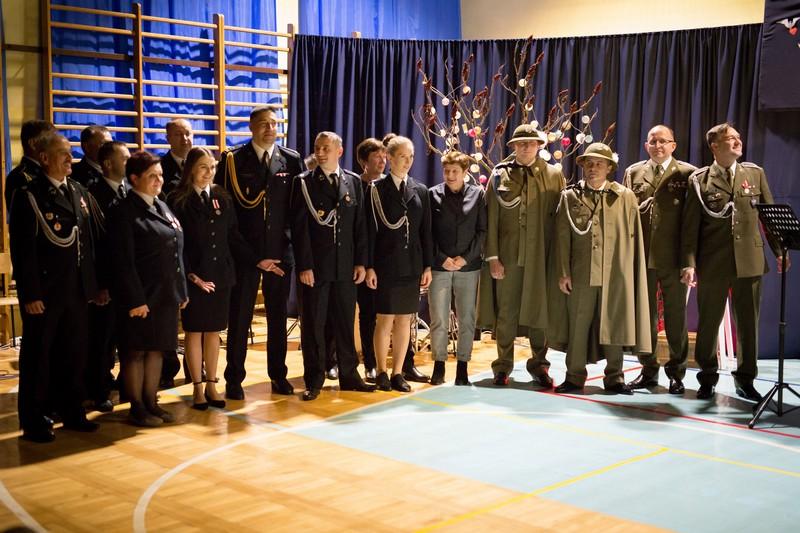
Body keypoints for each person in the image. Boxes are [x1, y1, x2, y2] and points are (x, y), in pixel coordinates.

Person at [681, 123, 785, 401]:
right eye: (731, 138)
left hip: (749, 261)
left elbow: (769, 217)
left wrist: (779, 251)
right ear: (715, 146)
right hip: (713, 262)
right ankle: (707, 378)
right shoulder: (699, 180)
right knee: (708, 324)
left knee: (748, 325)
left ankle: (746, 380)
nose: (738, 141)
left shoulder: (754, 173)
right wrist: (689, 263)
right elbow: (690, 227)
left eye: (739, 137)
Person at [10, 132, 103, 442]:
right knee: (39, 358)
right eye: (63, 153)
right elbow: (23, 251)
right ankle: (34, 420)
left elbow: (88, 244)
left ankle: (72, 411)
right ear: (45, 158)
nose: (70, 158)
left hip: (77, 290)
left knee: (74, 354)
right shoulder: (30, 195)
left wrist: (96, 285)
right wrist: (30, 293)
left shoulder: (77, 190)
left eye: (70, 152)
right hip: (46, 293)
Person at [215, 107, 305, 400]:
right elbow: (227, 216)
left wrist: (285, 248)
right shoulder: (233, 160)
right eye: (264, 124)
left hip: (279, 254)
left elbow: (296, 211)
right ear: (251, 126)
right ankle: (234, 378)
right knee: (240, 318)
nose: (270, 128)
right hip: (246, 254)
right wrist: (252, 256)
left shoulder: (290, 159)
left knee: (277, 318)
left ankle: (278, 375)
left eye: (274, 123)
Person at [168, 147, 267, 409]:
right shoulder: (178, 199)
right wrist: (191, 275)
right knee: (194, 331)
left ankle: (212, 384)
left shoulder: (222, 197)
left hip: (221, 276)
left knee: (214, 332)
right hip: (194, 277)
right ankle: (197, 387)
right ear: (191, 169)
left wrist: (257, 259)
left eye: (212, 167)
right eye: (203, 167)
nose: (209, 172)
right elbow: (176, 243)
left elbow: (233, 236)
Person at [551, 143, 650, 395]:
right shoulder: (570, 196)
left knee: (614, 324)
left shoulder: (624, 196)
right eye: (589, 164)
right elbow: (562, 237)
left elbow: (633, 238)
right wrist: (564, 272)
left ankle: (615, 377)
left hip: (615, 273)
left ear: (609, 168)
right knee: (578, 325)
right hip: (581, 273)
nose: (593, 168)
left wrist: (630, 273)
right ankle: (574, 377)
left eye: (599, 164)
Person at [477, 124, 565, 387]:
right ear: (514, 146)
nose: (526, 147)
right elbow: (491, 217)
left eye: (531, 142)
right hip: (509, 256)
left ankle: (539, 365)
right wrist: (493, 257)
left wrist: (559, 262)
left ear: (539, 145)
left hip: (542, 257)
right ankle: (502, 366)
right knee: (507, 312)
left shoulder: (554, 175)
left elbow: (561, 221)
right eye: (521, 143)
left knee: (541, 313)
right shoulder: (499, 174)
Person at [292, 131, 376, 400]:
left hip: (345, 267)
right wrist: (305, 265)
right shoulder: (304, 182)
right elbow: (300, 229)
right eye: (317, 148)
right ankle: (314, 379)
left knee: (344, 323)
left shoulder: (352, 181)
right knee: (314, 326)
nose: (320, 152)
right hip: (316, 269)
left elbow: (360, 226)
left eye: (326, 148)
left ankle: (349, 376)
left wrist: (361, 262)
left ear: (339, 151)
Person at [108, 150, 188, 426]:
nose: (159, 180)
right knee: (136, 352)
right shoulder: (123, 210)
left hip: (164, 295)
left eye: (160, 175)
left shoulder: (161, 205)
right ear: (134, 178)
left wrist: (181, 290)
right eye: (152, 176)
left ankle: (151, 402)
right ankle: (137, 407)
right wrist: (135, 299)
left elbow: (176, 251)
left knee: (157, 350)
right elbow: (122, 261)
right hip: (140, 297)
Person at [623, 125, 696, 395]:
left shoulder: (687, 173)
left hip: (674, 258)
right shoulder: (633, 172)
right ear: (646, 146)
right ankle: (648, 370)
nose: (658, 146)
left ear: (673, 145)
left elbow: (691, 222)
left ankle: (677, 373)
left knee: (676, 318)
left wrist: (689, 261)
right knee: (645, 317)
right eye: (653, 142)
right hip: (642, 257)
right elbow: (626, 217)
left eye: (663, 141)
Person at [365, 135, 433, 392]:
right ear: (390, 158)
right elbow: (368, 232)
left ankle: (397, 372)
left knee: (405, 320)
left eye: (411, 156)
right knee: (385, 320)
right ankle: (381, 371)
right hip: (385, 264)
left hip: (411, 264)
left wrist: (427, 266)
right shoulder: (376, 189)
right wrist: (369, 266)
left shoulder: (420, 189)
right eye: (402, 156)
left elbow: (426, 232)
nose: (407, 161)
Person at [427, 151, 487, 386]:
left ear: (465, 173)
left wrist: (465, 258)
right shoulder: (432, 194)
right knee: (439, 319)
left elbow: (482, 231)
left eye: (455, 171)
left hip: (468, 267)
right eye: (446, 171)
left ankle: (463, 367)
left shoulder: (477, 194)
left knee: (467, 318)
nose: (450, 175)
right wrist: (441, 258)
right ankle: (439, 365)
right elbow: (427, 232)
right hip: (440, 266)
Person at [86, 140, 131, 412]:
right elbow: (94, 246)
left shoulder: (130, 190)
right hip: (107, 281)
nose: (129, 162)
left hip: (128, 280)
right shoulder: (92, 194)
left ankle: (126, 384)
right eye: (124, 159)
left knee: (127, 338)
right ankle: (98, 389)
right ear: (108, 164)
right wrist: (100, 285)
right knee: (102, 340)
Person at [353, 137, 387, 381]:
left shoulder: (387, 186)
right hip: (361, 262)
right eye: (377, 157)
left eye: (384, 156)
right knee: (366, 314)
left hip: (386, 261)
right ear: (364, 161)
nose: (382, 161)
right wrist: (365, 264)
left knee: (388, 314)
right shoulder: (356, 185)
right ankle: (369, 362)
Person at [4, 120, 56, 214]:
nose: (55, 145)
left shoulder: (51, 171)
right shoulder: (18, 177)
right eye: (50, 140)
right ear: (33, 143)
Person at [161, 119, 194, 196]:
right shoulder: (160, 167)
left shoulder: (200, 164)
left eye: (187, 133)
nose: (184, 138)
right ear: (168, 139)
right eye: (178, 134)